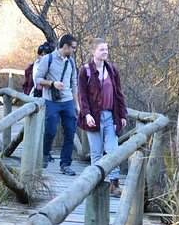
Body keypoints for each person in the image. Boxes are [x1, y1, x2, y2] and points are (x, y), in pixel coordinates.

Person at [77, 38, 128, 197]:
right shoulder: (85, 71)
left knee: (113, 151)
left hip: (110, 116)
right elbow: (82, 96)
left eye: (106, 49)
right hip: (94, 117)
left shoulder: (112, 70)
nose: (105, 52)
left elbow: (119, 94)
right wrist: (86, 114)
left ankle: (114, 185)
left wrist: (122, 114)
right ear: (93, 51)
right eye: (101, 49)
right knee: (97, 152)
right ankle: (97, 184)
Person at [34, 33, 79, 176]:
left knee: (70, 132)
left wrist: (77, 104)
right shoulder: (48, 59)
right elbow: (38, 79)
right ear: (65, 46)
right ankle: (45, 154)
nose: (74, 50)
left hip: (67, 101)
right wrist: (52, 83)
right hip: (51, 101)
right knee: (50, 131)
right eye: (73, 47)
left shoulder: (71, 62)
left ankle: (65, 164)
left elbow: (74, 84)